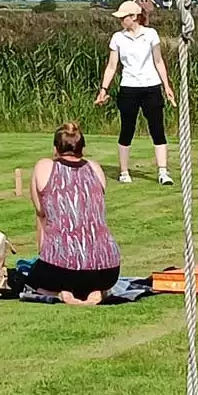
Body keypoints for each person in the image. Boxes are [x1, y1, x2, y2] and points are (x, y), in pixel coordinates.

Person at [29, 123, 122, 306]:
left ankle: (62, 291)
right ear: (83, 149)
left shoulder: (43, 167)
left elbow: (41, 213)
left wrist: (44, 252)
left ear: (55, 149)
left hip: (59, 269)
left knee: (36, 282)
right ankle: (95, 291)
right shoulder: (95, 168)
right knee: (89, 276)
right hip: (107, 269)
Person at [94, 0, 176, 185]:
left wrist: (167, 86)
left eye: (124, 17)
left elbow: (158, 61)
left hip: (151, 87)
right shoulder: (118, 38)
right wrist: (103, 89)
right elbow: (112, 66)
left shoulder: (151, 34)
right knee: (127, 129)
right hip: (128, 88)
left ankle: (163, 172)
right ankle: (124, 172)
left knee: (157, 129)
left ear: (134, 17)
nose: (121, 21)